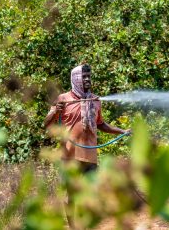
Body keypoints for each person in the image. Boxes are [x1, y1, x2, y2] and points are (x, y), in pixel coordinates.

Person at [44, 63, 130, 229]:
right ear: (76, 78)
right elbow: (46, 124)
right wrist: (56, 112)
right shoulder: (63, 99)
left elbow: (101, 124)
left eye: (89, 76)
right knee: (72, 194)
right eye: (84, 77)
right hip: (70, 155)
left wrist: (122, 131)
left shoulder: (95, 100)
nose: (88, 80)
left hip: (90, 156)